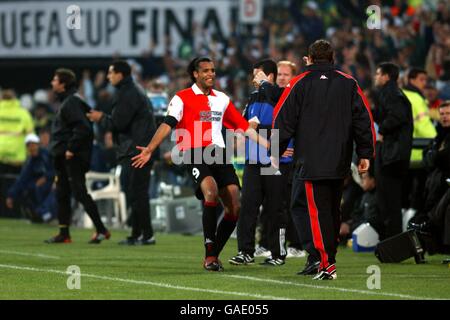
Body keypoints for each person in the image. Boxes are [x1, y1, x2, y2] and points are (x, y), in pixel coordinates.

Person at [131, 56, 268, 272]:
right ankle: (210, 255)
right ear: (195, 74)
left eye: (213, 70)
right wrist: (150, 149)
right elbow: (168, 124)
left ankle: (213, 254)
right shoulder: (181, 98)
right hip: (192, 151)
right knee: (210, 191)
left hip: (219, 153)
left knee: (235, 204)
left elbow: (242, 126)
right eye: (205, 71)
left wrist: (266, 144)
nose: (210, 74)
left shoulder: (222, 99)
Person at [272, 39, 375, 280]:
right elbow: (364, 119)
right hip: (339, 160)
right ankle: (328, 259)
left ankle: (326, 264)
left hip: (310, 161)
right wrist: (365, 154)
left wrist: (276, 152)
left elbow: (282, 120)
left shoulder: (298, 84)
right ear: (332, 58)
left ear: (308, 58)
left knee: (317, 213)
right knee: (331, 212)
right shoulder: (349, 83)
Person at [87, 60, 157, 245]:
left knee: (138, 193)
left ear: (120, 74)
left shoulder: (129, 93)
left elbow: (118, 123)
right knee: (135, 192)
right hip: (137, 148)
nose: (109, 76)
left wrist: (100, 117)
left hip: (137, 150)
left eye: (111, 73)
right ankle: (137, 234)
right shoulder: (131, 91)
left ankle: (147, 234)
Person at [229, 59, 288, 267]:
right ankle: (246, 251)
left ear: (269, 77)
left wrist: (255, 128)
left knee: (274, 209)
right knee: (248, 207)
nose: (254, 79)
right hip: (253, 160)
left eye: (258, 75)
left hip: (274, 161)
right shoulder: (253, 98)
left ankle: (278, 254)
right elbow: (244, 127)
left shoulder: (281, 97)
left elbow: (282, 128)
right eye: (253, 75)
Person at [47, 68, 110, 244]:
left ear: (63, 84)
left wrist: (71, 149)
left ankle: (101, 229)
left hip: (71, 157)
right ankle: (64, 233)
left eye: (55, 80)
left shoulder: (71, 102)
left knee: (79, 192)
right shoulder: (70, 101)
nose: (52, 83)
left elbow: (83, 127)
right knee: (62, 193)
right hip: (64, 157)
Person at [253, 60, 305, 259]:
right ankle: (266, 243)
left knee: (290, 201)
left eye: (287, 74)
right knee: (270, 202)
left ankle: (297, 244)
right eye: (280, 74)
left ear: (293, 78)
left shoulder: (291, 96)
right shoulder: (267, 96)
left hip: (290, 158)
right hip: (272, 156)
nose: (283, 77)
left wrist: (289, 147)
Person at [372, 62, 413, 240]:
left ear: (387, 76)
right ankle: (392, 240)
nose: (376, 77)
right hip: (394, 154)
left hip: (392, 155)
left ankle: (392, 240)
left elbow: (397, 115)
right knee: (390, 200)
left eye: (379, 74)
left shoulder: (390, 92)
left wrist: (381, 131)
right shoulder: (392, 92)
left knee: (389, 200)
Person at [6, 133, 56, 223]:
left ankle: (46, 214)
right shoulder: (30, 161)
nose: (32, 148)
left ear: (38, 145)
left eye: (33, 145)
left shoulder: (47, 155)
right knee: (28, 188)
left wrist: (46, 177)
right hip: (40, 186)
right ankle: (37, 214)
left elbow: (57, 169)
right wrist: (11, 195)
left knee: (54, 191)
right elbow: (22, 179)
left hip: (54, 182)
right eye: (29, 146)